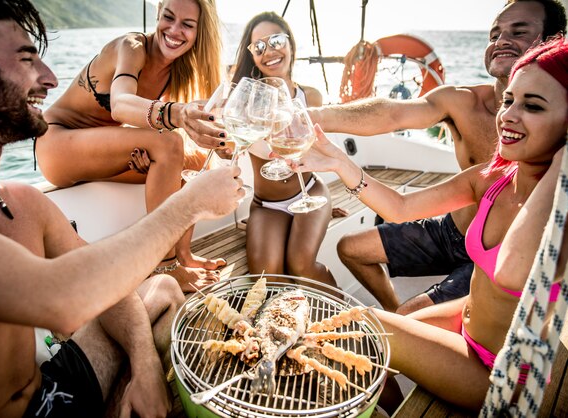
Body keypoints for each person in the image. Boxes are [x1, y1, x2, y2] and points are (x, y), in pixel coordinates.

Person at [0, 1, 244, 417]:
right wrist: (188, 205)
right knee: (171, 151)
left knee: (166, 292)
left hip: (48, 389)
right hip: (66, 147)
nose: (50, 78)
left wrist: (145, 364)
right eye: (28, 58)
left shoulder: (25, 202)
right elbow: (60, 301)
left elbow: (111, 296)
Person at [292, 36, 568, 412]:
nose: (508, 115)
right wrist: (340, 162)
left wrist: (562, 164)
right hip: (464, 318)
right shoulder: (490, 180)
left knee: (361, 328)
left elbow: (510, 271)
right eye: (508, 100)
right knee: (359, 335)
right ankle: (391, 407)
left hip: (501, 375)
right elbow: (401, 207)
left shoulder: (561, 211)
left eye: (532, 105)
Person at [308, 0, 566, 313]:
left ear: (555, 41)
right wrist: (312, 116)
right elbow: (391, 115)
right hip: (451, 231)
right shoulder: (462, 103)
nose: (501, 41)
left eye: (519, 32)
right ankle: (400, 315)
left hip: (499, 258)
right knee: (350, 248)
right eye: (494, 34)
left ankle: (408, 322)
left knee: (404, 324)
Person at [35, 0, 228, 291]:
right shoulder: (132, 47)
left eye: (187, 25)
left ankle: (183, 255)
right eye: (168, 17)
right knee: (170, 144)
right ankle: (164, 266)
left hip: (97, 150)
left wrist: (221, 141)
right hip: (57, 142)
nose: (174, 30)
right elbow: (121, 105)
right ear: (158, 14)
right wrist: (176, 113)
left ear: (200, 32)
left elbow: (142, 123)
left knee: (197, 162)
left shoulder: (177, 70)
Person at [228, 11, 342, 290]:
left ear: (290, 43)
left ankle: (346, 319)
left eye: (276, 40)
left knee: (301, 265)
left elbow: (320, 149)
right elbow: (228, 147)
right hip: (267, 207)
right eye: (259, 46)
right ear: (252, 55)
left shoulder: (310, 97)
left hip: (310, 194)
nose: (269, 51)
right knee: (268, 279)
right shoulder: (245, 100)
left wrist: (325, 208)